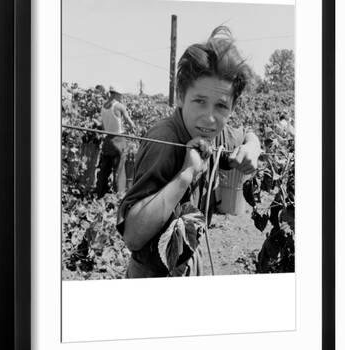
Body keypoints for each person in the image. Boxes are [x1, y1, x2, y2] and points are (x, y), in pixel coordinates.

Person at [117, 26, 261, 278]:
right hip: (154, 273)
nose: (209, 118)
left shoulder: (217, 132)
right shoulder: (164, 141)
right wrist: (185, 174)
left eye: (221, 106)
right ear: (181, 96)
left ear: (232, 107)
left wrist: (252, 146)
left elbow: (245, 133)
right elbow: (133, 236)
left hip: (191, 263)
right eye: (199, 101)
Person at [96, 84, 135, 198]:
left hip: (107, 140)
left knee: (105, 169)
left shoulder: (103, 106)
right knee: (120, 169)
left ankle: (100, 193)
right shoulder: (119, 106)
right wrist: (132, 127)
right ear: (117, 94)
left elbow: (103, 126)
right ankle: (119, 195)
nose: (121, 97)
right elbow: (129, 122)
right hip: (119, 140)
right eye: (121, 95)